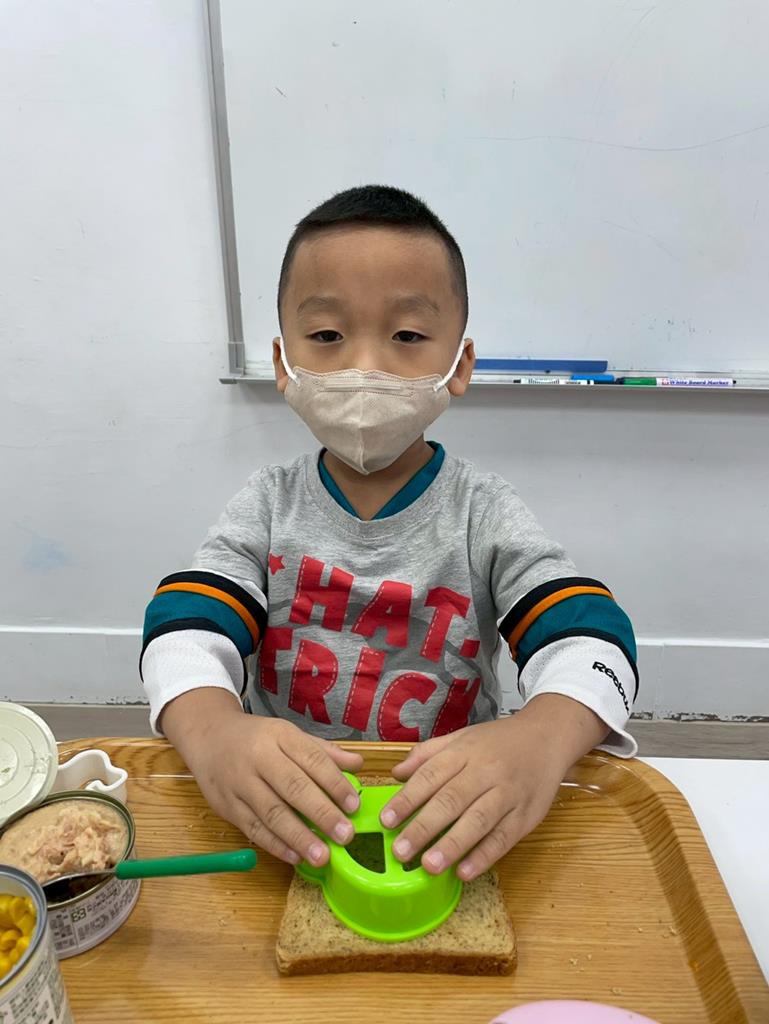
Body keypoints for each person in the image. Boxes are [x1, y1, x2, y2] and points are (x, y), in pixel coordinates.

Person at [140, 184, 638, 883]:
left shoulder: (482, 512)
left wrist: (541, 738)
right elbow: (183, 627)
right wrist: (213, 730)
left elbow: (592, 639)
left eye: (406, 336)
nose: (364, 368)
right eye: (326, 336)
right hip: (289, 811)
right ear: (283, 365)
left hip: (448, 814)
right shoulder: (267, 505)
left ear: (459, 364)